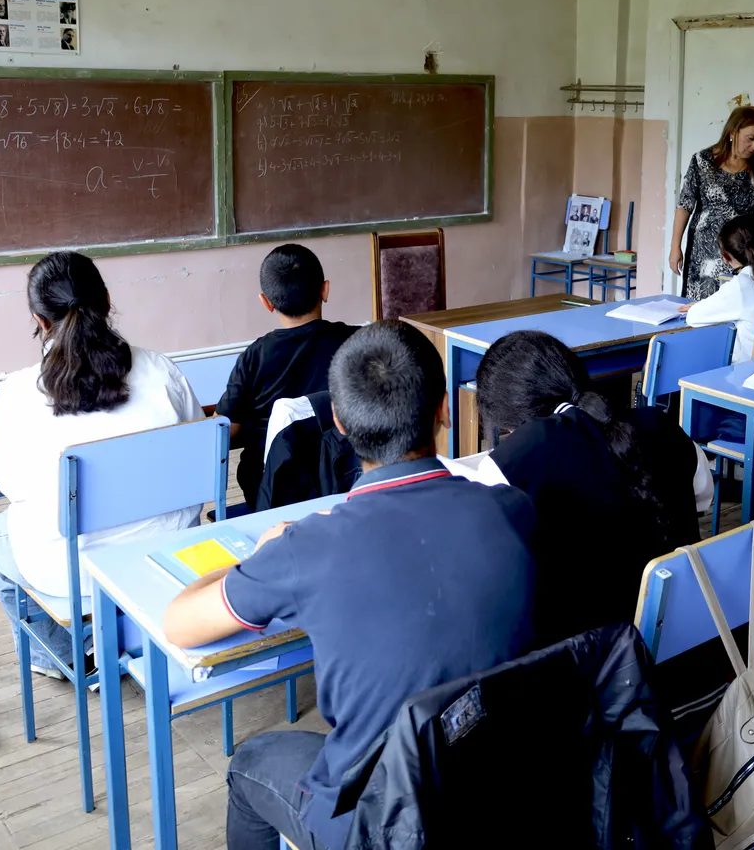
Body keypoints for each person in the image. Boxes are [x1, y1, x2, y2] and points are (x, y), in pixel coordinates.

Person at [164, 321, 538, 850]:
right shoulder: (512, 509)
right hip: (497, 787)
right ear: (444, 409)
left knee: (251, 761)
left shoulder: (308, 548)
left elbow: (179, 625)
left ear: (338, 421)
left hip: (381, 821)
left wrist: (262, 554)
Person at [0, 251, 201, 678]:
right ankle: (131, 633)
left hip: (72, 570)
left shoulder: (20, 392)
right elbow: (195, 453)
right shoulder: (161, 371)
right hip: (170, 550)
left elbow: (11, 485)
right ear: (106, 301)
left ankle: (70, 656)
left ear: (39, 319)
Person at [472, 330, 704, 643]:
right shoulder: (662, 425)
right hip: (683, 635)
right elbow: (702, 498)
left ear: (507, 416)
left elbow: (489, 569)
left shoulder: (510, 464)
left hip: (586, 656)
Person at [216, 244, 357, 507]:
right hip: (347, 481)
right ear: (325, 290)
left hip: (272, 494)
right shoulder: (360, 343)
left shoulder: (255, 357)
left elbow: (222, 431)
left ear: (266, 303)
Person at [671, 106, 754, 299]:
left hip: (745, 250)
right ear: (732, 133)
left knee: (742, 302)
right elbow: (685, 205)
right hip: (704, 250)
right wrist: (675, 247)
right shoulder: (702, 161)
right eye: (751, 138)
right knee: (701, 305)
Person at [685, 213, 754, 362]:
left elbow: (693, 317)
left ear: (725, 257)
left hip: (747, 369)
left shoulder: (739, 286)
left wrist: (701, 305)